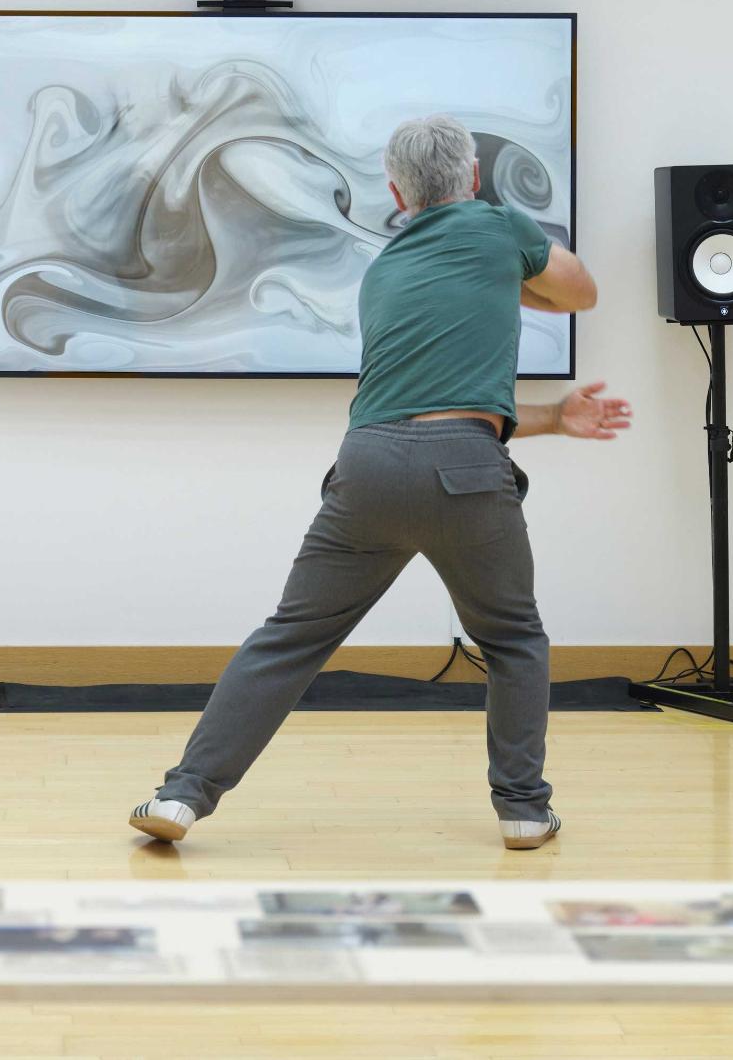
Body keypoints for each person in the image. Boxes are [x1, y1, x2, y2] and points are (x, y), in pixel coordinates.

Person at [129, 115, 631, 852]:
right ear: (472, 179)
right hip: (463, 470)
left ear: (396, 191)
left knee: (289, 639)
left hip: (366, 465)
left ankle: (181, 795)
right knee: (513, 639)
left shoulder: (386, 268)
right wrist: (516, 270)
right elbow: (579, 291)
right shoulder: (497, 225)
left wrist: (555, 416)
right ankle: (523, 808)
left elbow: (431, 408)